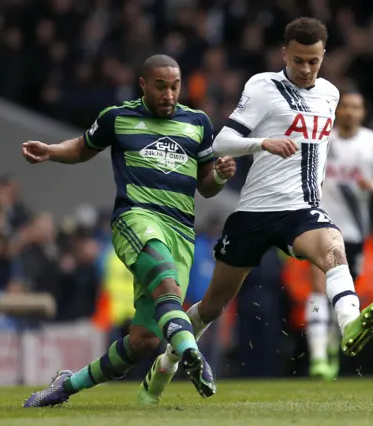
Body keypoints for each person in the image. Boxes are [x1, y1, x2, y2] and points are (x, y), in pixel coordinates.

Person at [141, 17, 373, 404]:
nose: (306, 70)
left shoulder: (330, 94)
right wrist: (263, 144)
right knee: (212, 307)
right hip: (255, 212)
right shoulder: (262, 86)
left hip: (302, 210)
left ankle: (349, 322)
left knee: (333, 248)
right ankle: (165, 365)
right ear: (284, 53)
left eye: (314, 62)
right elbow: (223, 142)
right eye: (299, 60)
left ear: (324, 58)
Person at [21, 55, 237, 407]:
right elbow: (80, 148)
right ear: (143, 85)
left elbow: (206, 186)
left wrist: (221, 176)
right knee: (167, 284)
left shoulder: (198, 123)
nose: (169, 94)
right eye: (161, 86)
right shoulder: (118, 117)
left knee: (144, 342)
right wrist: (50, 151)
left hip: (181, 232)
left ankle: (67, 384)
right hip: (136, 219)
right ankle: (191, 353)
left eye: (175, 86)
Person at [307, 90, 373, 380]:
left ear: (363, 112)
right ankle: (317, 358)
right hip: (320, 226)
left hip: (354, 233)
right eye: (345, 106)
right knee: (317, 289)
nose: (350, 111)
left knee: (344, 295)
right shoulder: (321, 140)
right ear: (338, 111)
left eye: (356, 107)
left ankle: (330, 346)